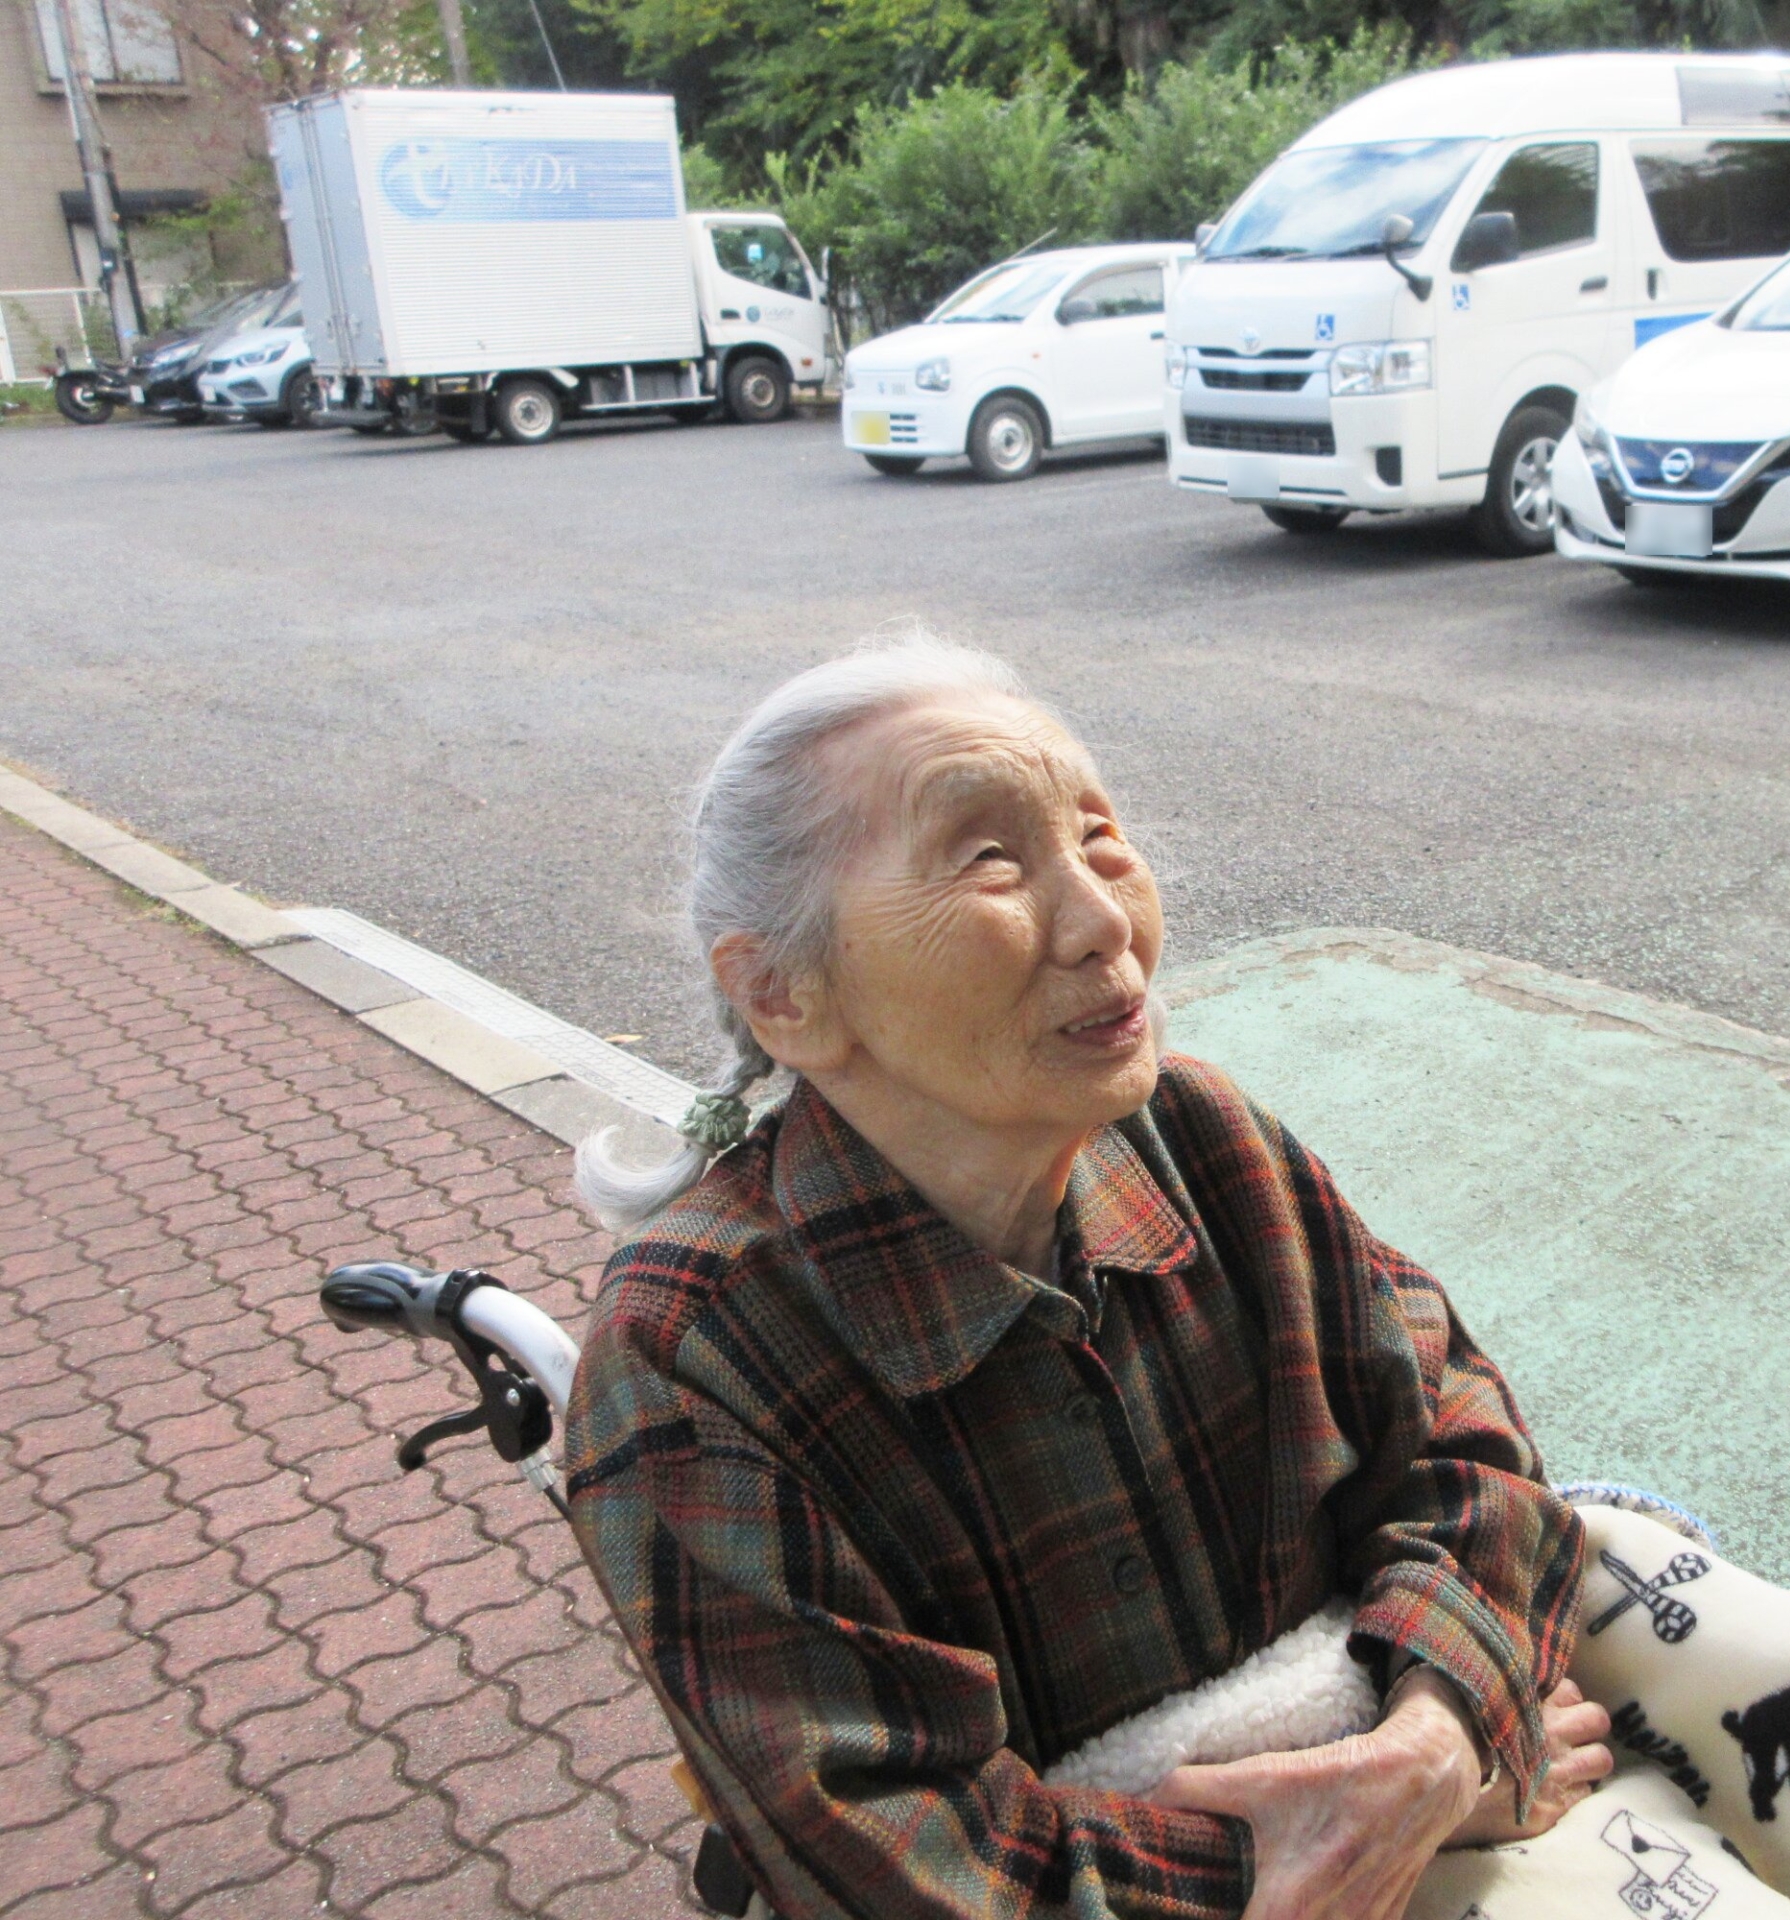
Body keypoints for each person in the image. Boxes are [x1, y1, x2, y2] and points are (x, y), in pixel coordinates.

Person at [562, 637, 1612, 1919]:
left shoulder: (1207, 1139)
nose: (1105, 918)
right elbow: (896, 1860)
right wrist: (1353, 1827)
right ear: (784, 995)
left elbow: (1460, 1431)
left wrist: (1441, 1738)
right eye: (990, 859)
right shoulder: (687, 1361)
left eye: (1100, 832)